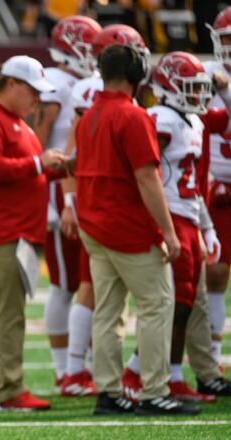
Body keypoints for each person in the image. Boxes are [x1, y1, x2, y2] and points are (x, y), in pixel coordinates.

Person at [74, 43, 197, 416]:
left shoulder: (90, 114)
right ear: (136, 73)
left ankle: (109, 391)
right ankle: (155, 390)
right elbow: (147, 179)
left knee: (108, 311)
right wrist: (169, 232)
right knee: (156, 305)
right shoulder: (133, 116)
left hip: (93, 225)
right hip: (126, 226)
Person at [0, 55, 65, 411]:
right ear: (11, 84)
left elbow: (26, 172)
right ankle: (10, 388)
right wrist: (40, 163)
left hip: (12, 230)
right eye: (32, 91)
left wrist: (51, 167)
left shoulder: (11, 119)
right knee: (7, 312)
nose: (36, 99)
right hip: (1, 230)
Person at [59, 24, 151, 396]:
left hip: (101, 202)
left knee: (101, 293)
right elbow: (71, 153)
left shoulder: (103, 93)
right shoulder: (91, 94)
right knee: (100, 291)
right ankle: (79, 369)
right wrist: (69, 202)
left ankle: (85, 370)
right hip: (106, 203)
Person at [147, 51, 231, 402]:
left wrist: (207, 225)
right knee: (177, 302)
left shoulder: (192, 120)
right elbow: (143, 168)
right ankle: (148, 372)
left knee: (190, 302)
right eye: (191, 87)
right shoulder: (160, 118)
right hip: (171, 215)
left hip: (190, 214)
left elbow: (223, 119)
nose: (199, 95)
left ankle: (190, 373)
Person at [34, 14, 101, 395]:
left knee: (89, 283)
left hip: (83, 191)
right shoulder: (55, 83)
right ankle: (64, 371)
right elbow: (37, 138)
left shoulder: (79, 82)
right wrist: (47, 200)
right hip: (61, 191)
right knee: (65, 285)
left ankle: (86, 366)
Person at [202, 5, 231, 374]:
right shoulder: (205, 75)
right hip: (216, 183)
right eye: (226, 39)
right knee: (216, 271)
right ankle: (211, 353)